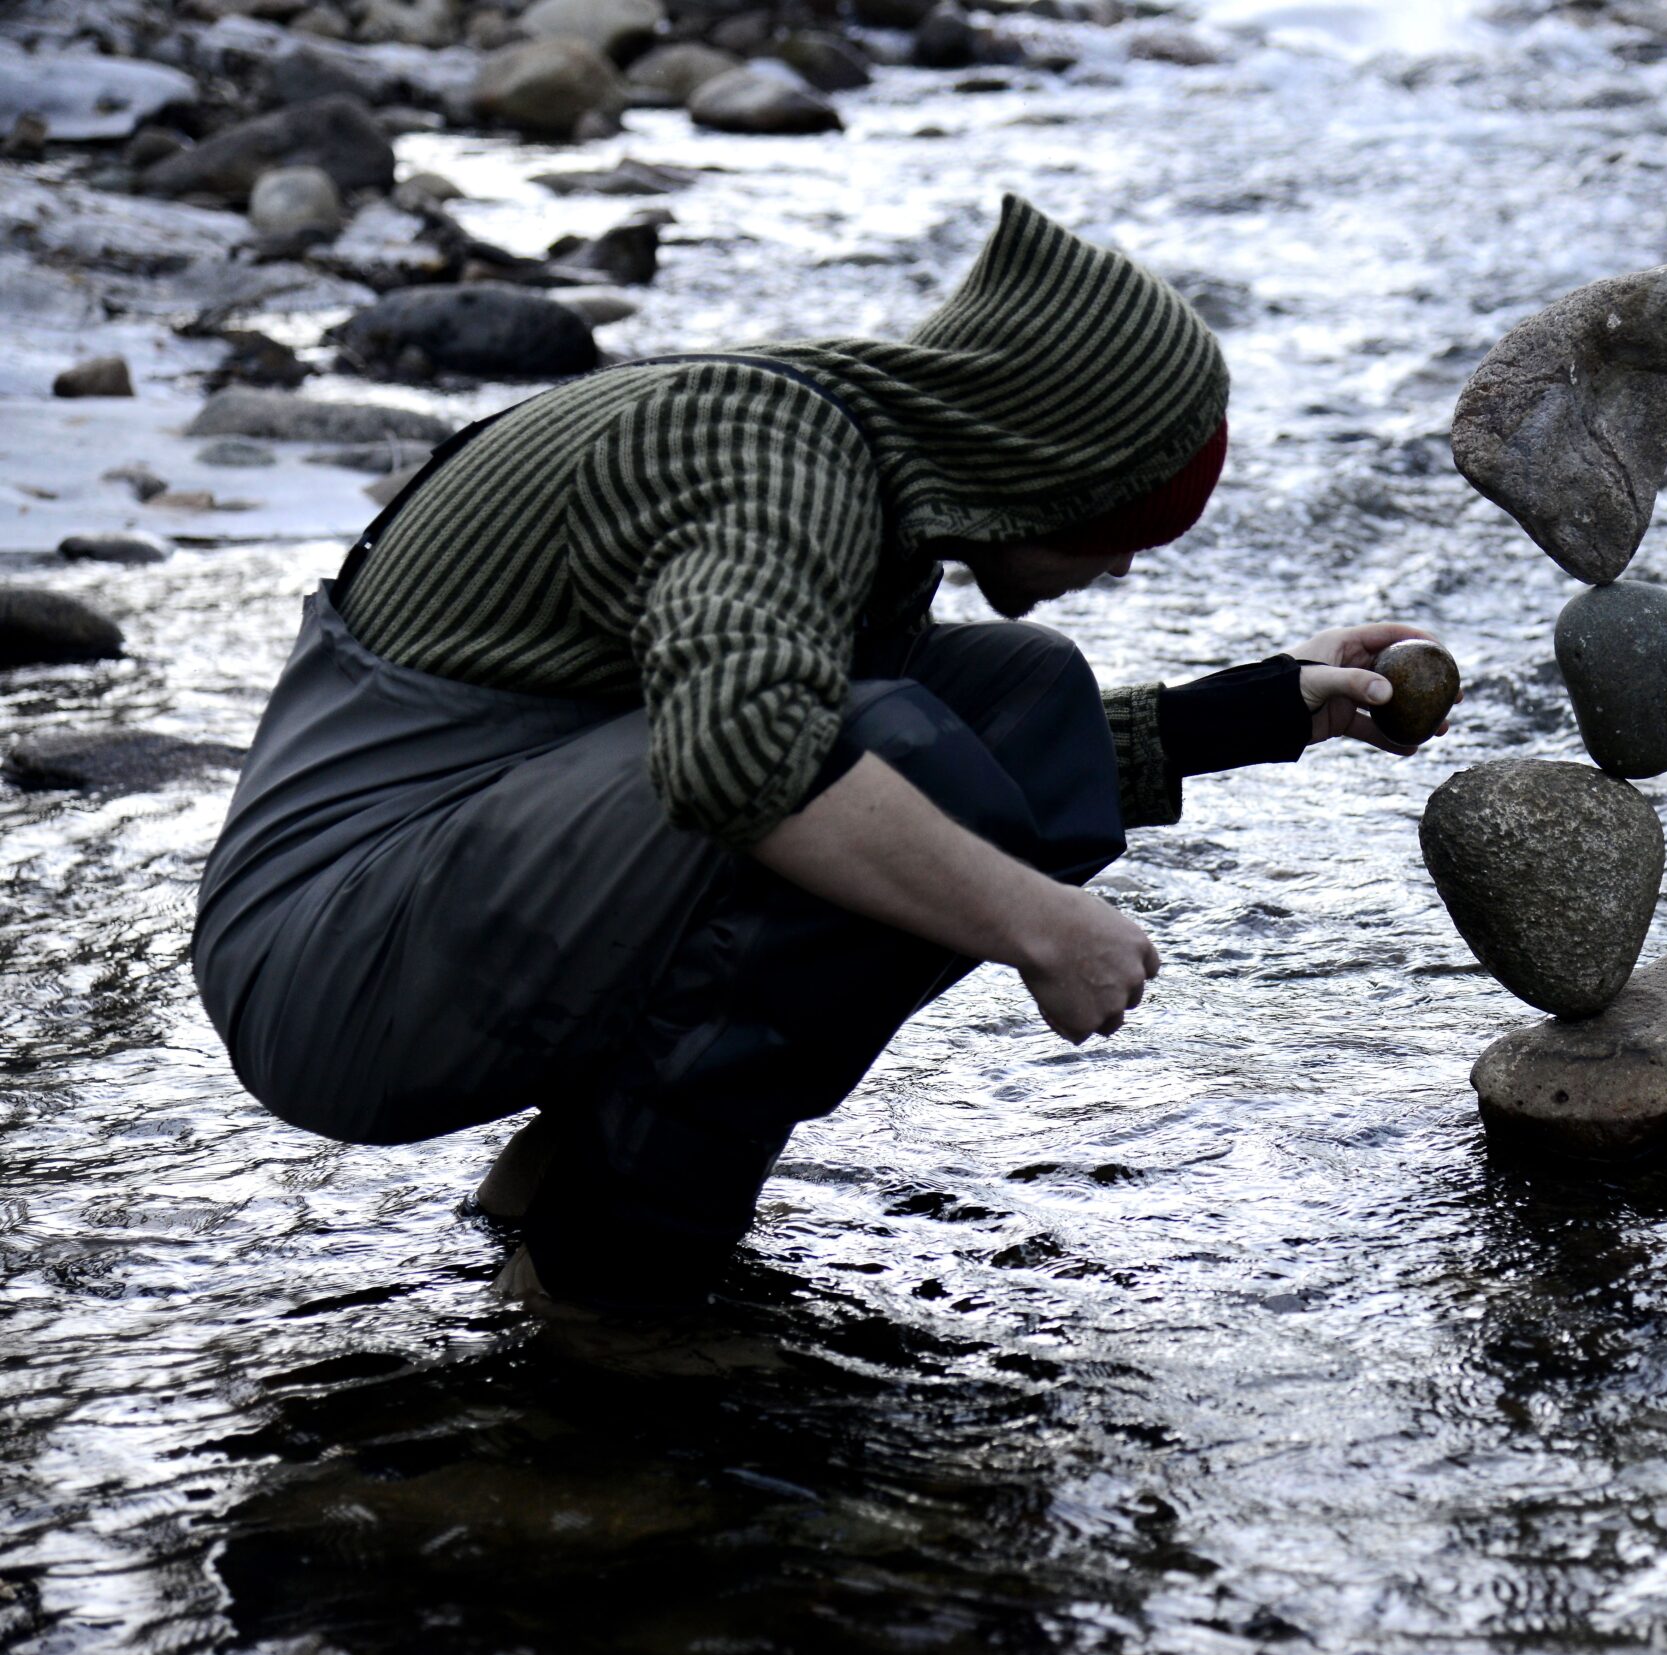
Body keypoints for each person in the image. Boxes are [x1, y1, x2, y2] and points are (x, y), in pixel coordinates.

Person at [192, 196, 1444, 1315]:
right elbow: (744, 762)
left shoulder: (855, 459)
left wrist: (1258, 711)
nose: (1120, 564)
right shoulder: (757, 452)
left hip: (444, 879)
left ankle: (573, 1166)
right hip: (328, 964)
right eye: (1121, 528)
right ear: (1045, 468)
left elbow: (952, 752)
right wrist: (1044, 928)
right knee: (868, 748)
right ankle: (610, 1275)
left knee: (1016, 691)